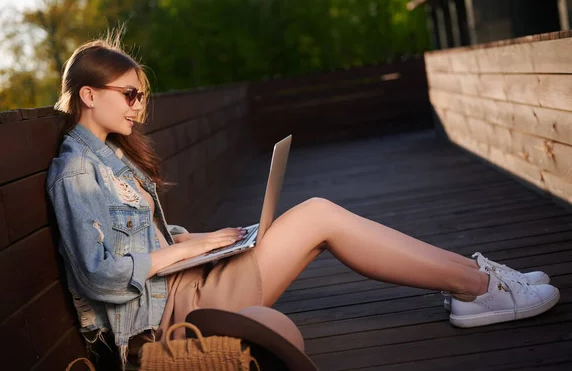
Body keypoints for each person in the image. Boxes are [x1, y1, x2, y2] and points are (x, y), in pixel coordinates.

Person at [46, 35, 560, 368]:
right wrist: (181, 255)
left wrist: (202, 240)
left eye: (142, 96)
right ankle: (479, 286)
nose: (140, 107)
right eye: (130, 95)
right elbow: (100, 276)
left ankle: (477, 283)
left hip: (189, 283)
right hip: (169, 316)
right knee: (318, 214)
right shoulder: (76, 170)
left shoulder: (110, 157)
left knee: (314, 217)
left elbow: (142, 241)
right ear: (90, 95)